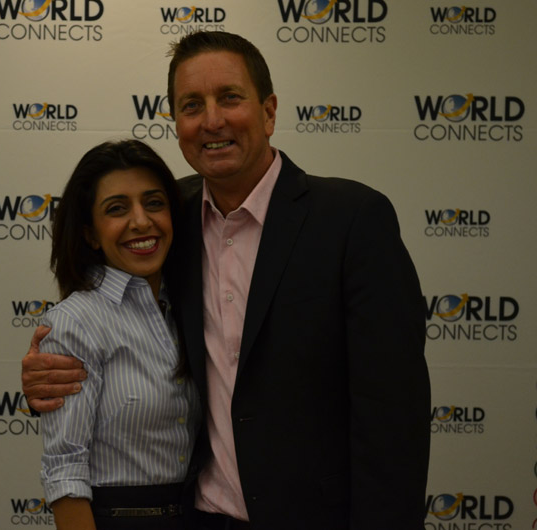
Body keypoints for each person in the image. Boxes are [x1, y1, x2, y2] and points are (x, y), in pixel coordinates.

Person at [23, 31, 431, 529]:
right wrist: (51, 377)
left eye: (230, 98)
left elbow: (392, 412)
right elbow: (105, 316)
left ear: (269, 111)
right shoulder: (165, 219)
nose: (211, 120)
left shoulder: (352, 220)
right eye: (192, 105)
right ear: (177, 123)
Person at [37, 139, 201, 530]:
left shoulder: (189, 310)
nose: (141, 221)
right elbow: (65, 470)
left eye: (154, 203)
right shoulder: (75, 322)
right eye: (117, 209)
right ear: (90, 234)